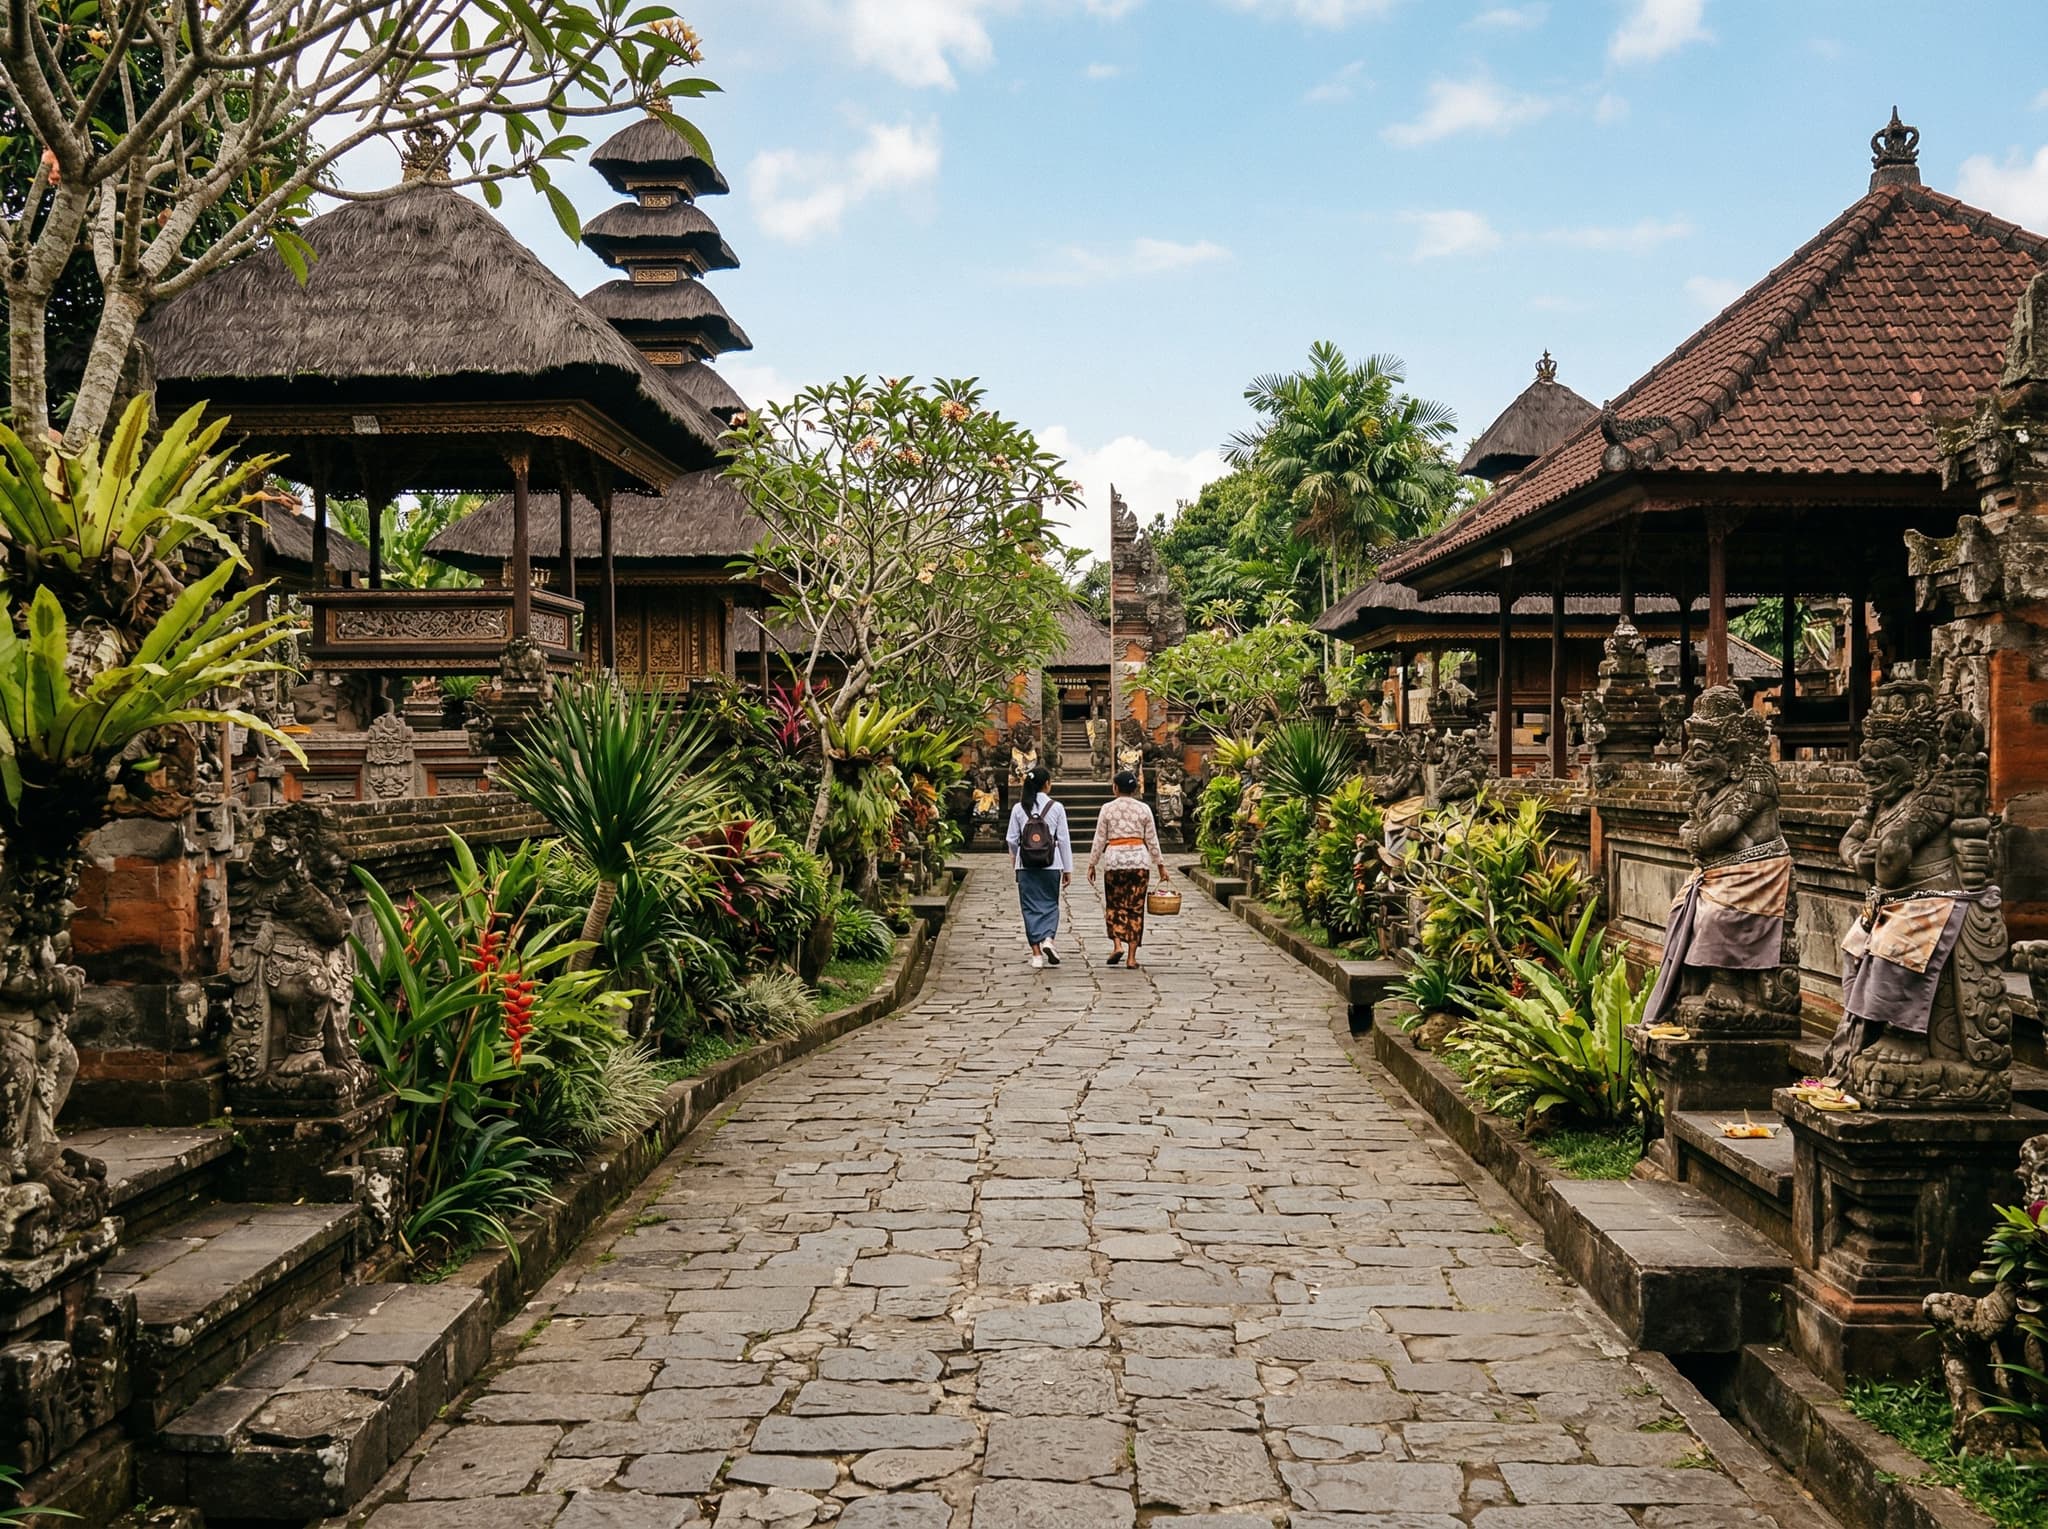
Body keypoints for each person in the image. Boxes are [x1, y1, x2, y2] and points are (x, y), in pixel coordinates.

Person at [1088, 768, 1171, 970]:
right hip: (1139, 862)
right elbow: (1152, 840)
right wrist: (1160, 865)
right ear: (1134, 789)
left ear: (1115, 788)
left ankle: (1117, 944)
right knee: (1135, 907)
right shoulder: (1144, 809)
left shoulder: (1107, 808)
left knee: (1115, 904)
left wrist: (1092, 863)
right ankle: (1131, 957)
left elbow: (1100, 838)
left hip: (1115, 860)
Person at [1005, 766, 1072, 970]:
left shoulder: (1019, 808)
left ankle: (1036, 954)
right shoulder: (1056, 807)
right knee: (1050, 904)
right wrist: (1067, 868)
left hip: (1026, 865)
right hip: (1051, 864)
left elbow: (1011, 839)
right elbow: (1063, 839)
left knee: (1029, 907)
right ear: (1047, 784)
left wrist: (1017, 858)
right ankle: (1048, 939)